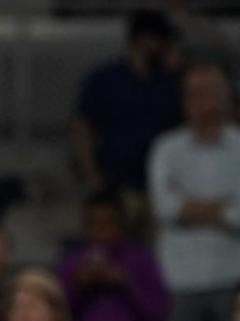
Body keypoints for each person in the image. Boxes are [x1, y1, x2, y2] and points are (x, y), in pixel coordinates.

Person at [149, 62, 240, 321]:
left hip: (232, 275)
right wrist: (223, 207)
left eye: (208, 92)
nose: (200, 100)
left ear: (226, 96)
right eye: (193, 93)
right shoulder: (166, 149)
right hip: (179, 278)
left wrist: (190, 206)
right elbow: (167, 208)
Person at [58, 192, 170, 321]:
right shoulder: (72, 263)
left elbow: (159, 313)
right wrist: (79, 286)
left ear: (121, 222)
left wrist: (126, 283)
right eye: (94, 223)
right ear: (85, 225)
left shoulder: (140, 260)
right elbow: (57, 316)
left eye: (108, 222)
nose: (101, 230)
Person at [73, 9, 181, 195]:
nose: (165, 46)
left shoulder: (170, 82)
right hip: (116, 181)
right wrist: (91, 175)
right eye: (161, 40)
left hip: (163, 182)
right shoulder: (104, 79)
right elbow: (82, 128)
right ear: (143, 39)